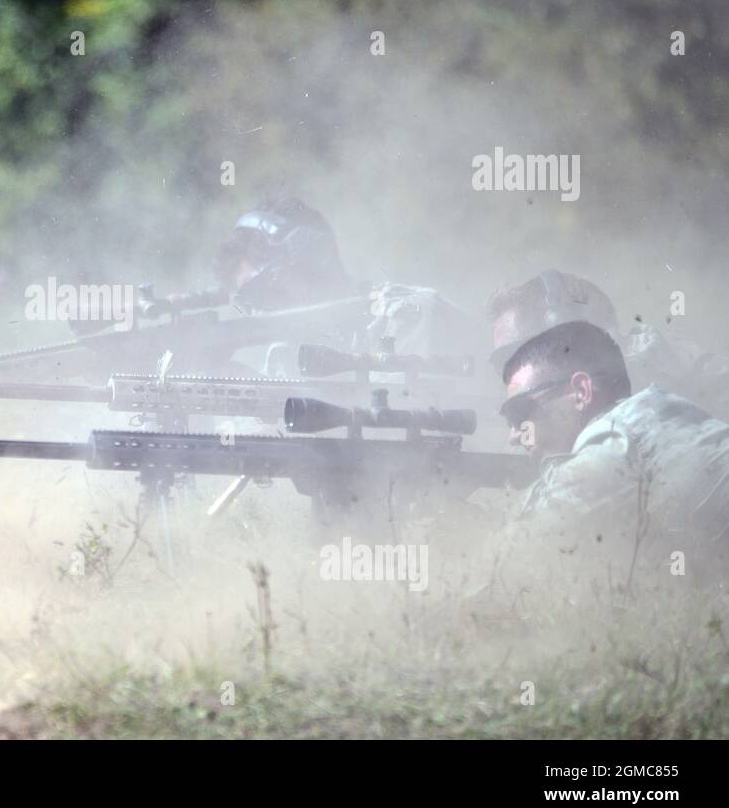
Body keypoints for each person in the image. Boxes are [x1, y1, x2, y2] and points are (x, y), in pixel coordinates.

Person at [497, 320, 729, 579]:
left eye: (520, 413)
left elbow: (509, 561)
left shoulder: (617, 441)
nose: (514, 437)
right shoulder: (653, 416)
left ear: (581, 391)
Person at [211, 198, 484, 369]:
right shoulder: (276, 357)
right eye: (249, 302)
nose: (261, 311)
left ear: (309, 259)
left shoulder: (408, 316)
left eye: (263, 290)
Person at [486, 269, 729, 415]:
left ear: (568, 337)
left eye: (516, 357)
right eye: (502, 364)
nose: (508, 376)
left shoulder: (652, 388)